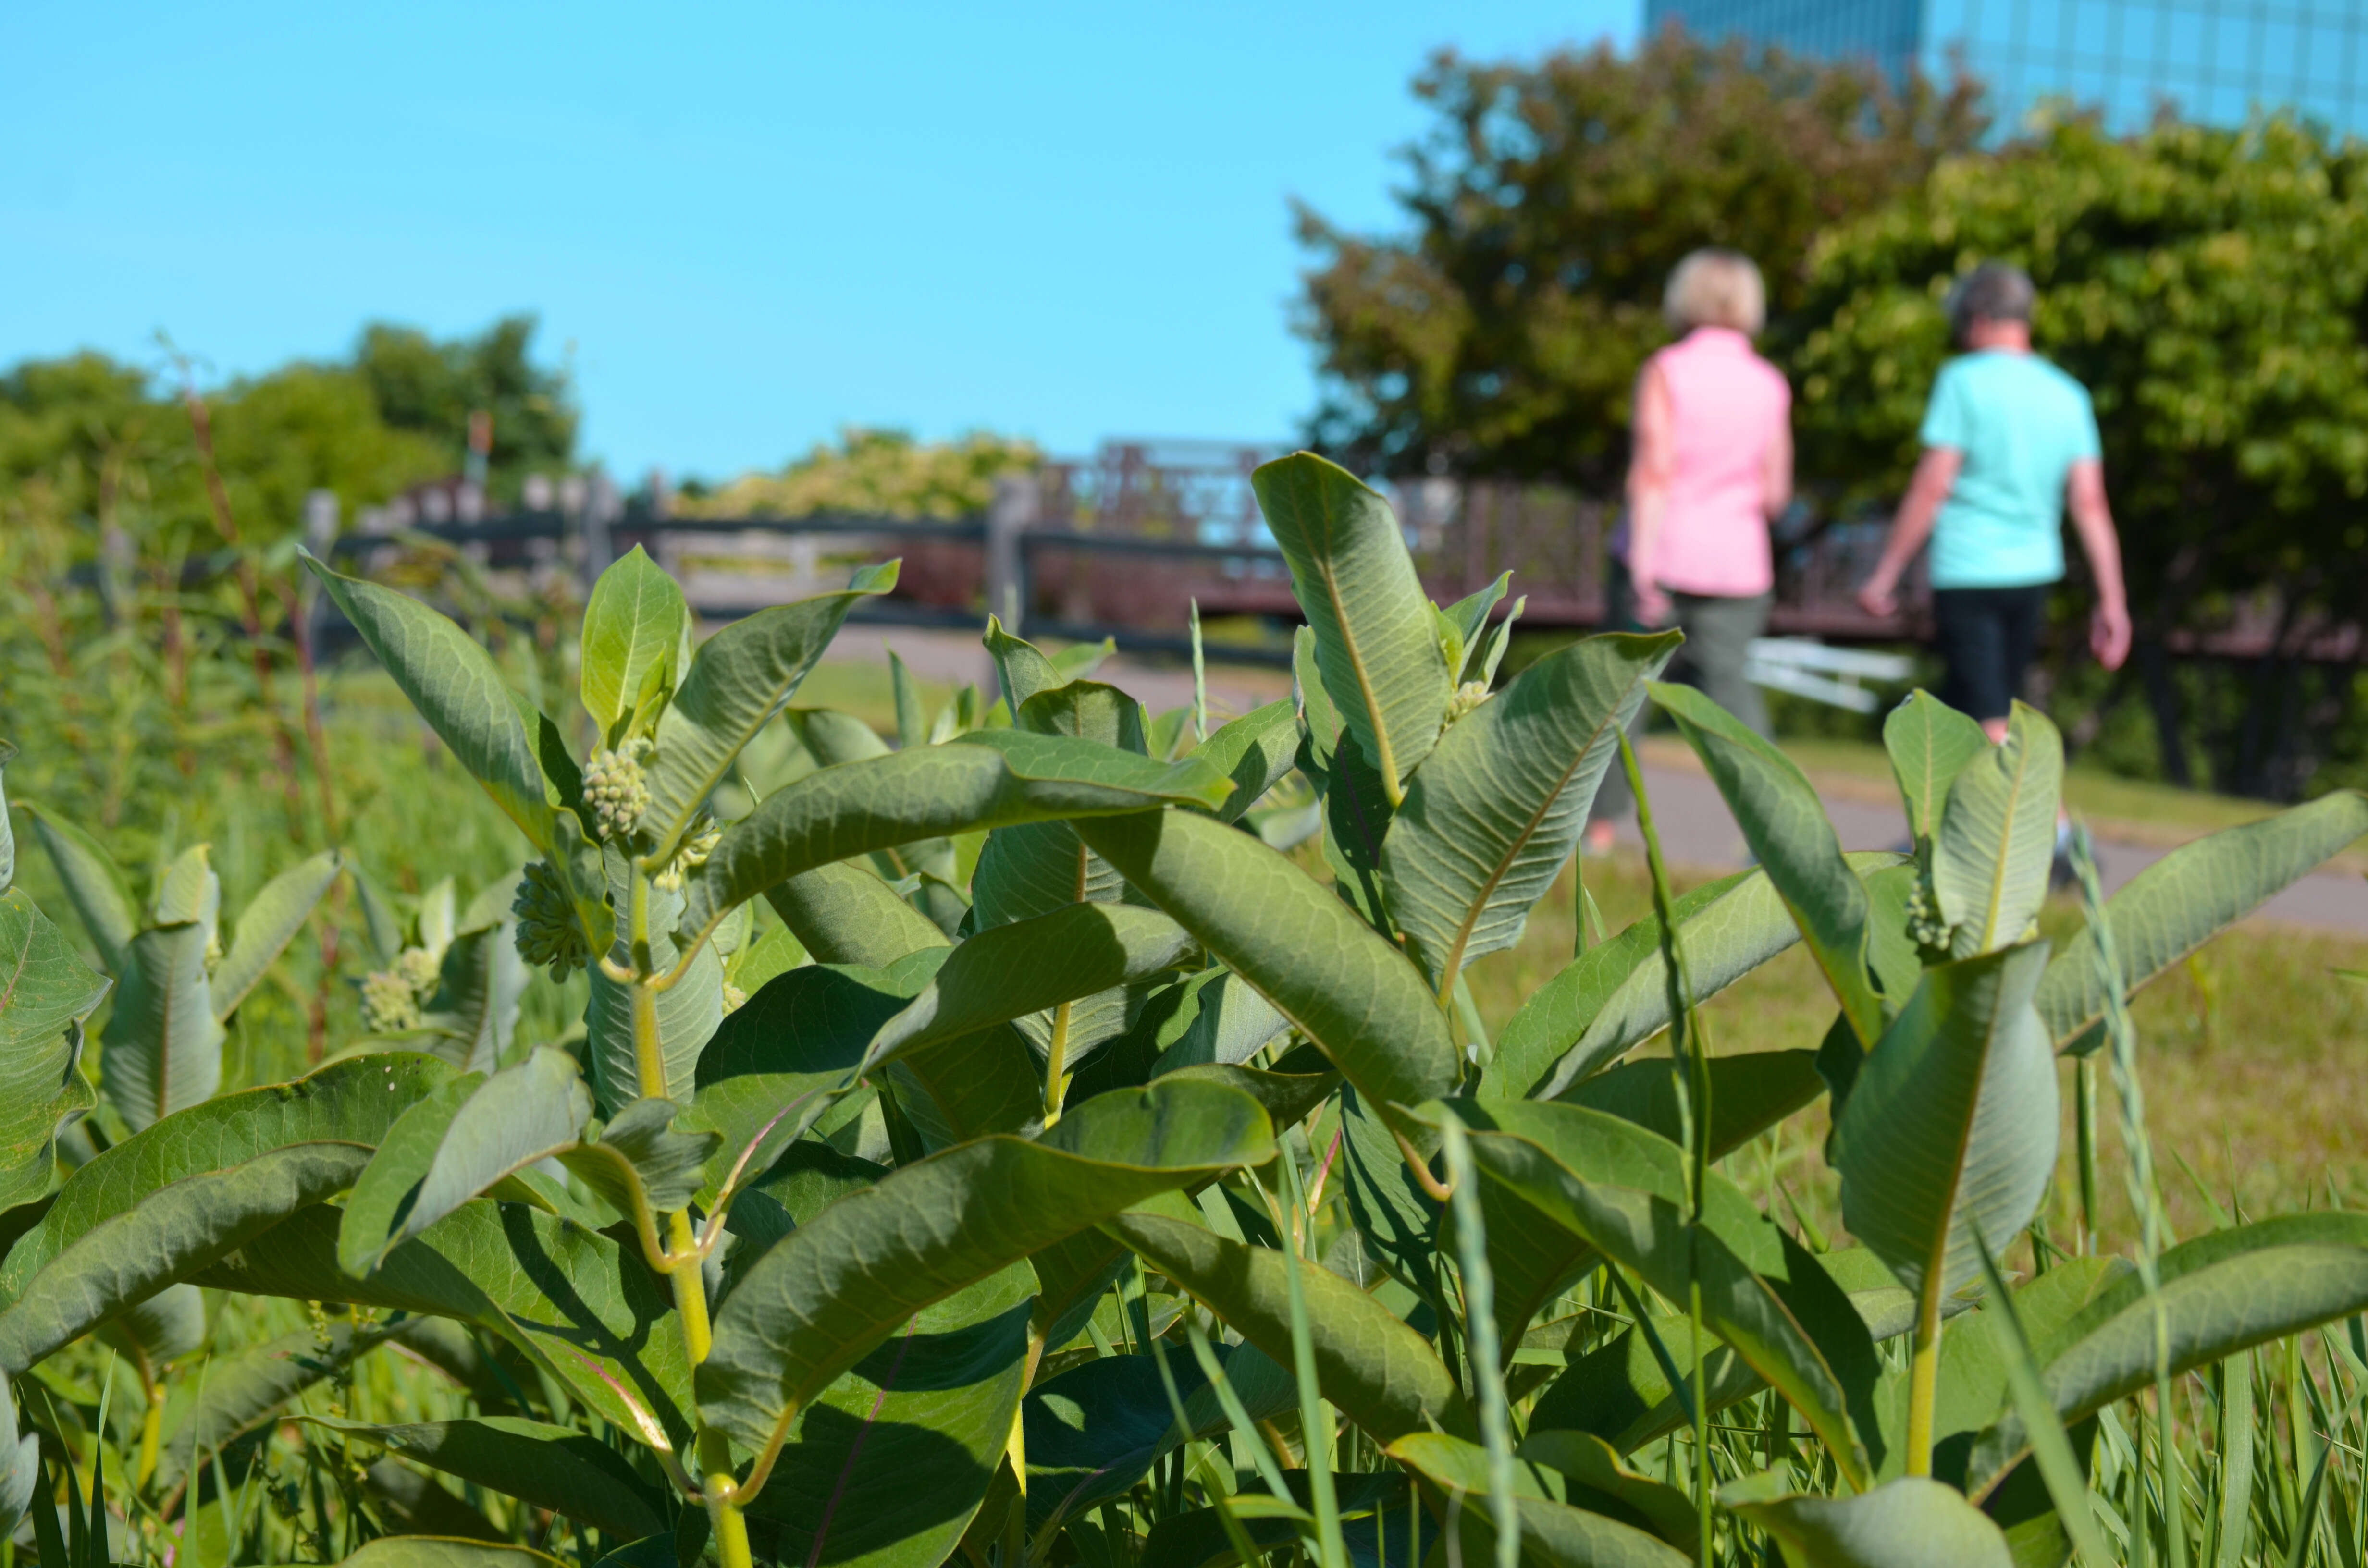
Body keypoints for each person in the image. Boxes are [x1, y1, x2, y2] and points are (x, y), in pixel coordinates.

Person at [1856, 262, 2131, 742]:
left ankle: (2052, 819)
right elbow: (2089, 502)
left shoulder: (1961, 381)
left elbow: (1931, 485)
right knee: (1974, 704)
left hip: (1968, 570)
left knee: (1988, 717)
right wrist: (2112, 601)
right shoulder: (2068, 395)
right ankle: (1941, 820)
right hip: (2032, 574)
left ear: (1977, 318)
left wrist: (1886, 573)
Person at [1585, 247, 1793, 856]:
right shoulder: (1769, 384)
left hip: (1663, 554)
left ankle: (1596, 832)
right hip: (1738, 564)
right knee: (1733, 702)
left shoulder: (1666, 369)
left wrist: (1644, 563)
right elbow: (1776, 493)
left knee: (1619, 700)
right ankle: (1779, 836)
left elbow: (1653, 469)